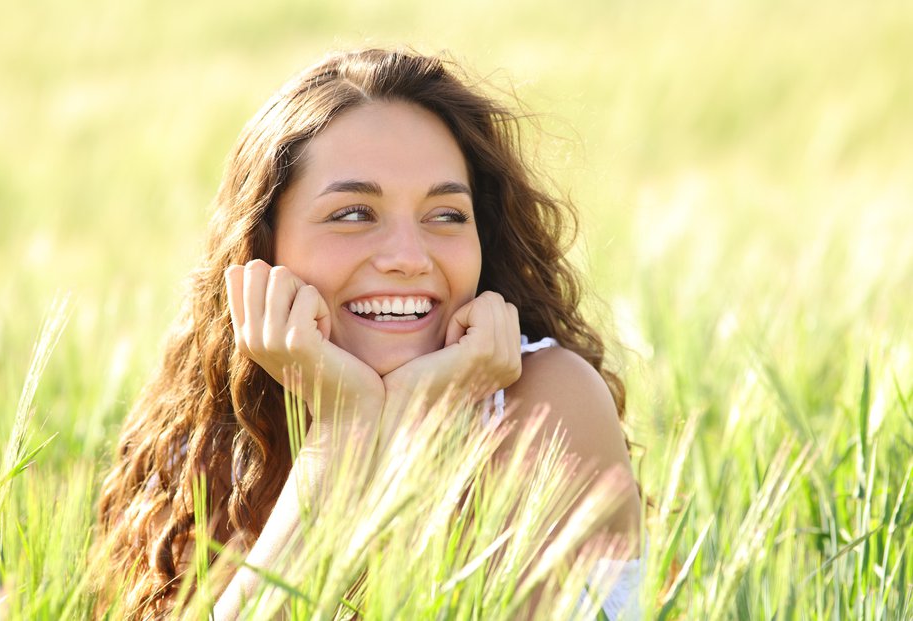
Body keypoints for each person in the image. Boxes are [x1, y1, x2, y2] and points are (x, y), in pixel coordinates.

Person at [96, 48, 642, 619]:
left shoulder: (544, 404)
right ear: (263, 245)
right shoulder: (220, 438)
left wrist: (416, 413)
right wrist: (346, 429)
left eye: (447, 214)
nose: (409, 257)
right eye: (354, 213)